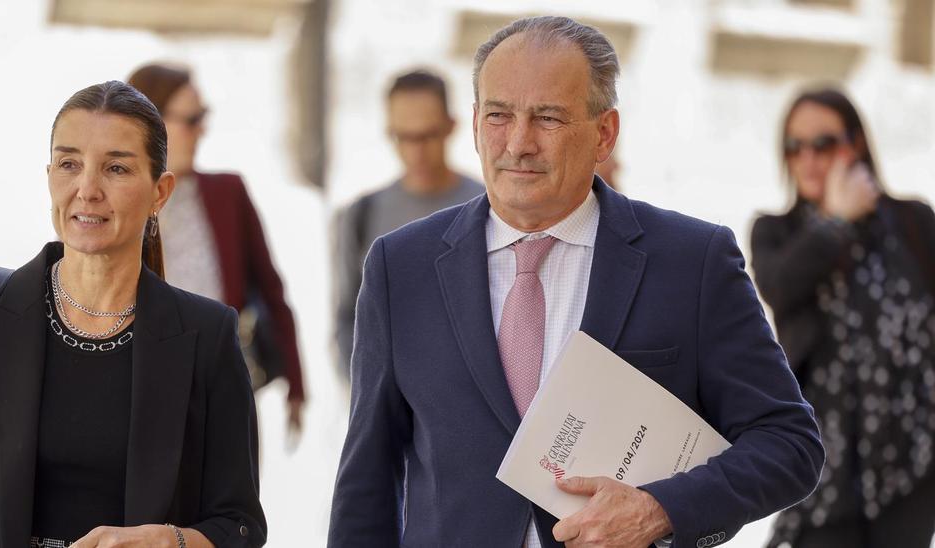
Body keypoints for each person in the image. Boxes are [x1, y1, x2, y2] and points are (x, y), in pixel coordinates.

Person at [328, 16, 824, 548]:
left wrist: (661, 509)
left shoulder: (691, 261)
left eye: (548, 118)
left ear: (604, 133)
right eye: (499, 115)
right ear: (473, 124)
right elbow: (367, 482)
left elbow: (789, 444)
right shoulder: (400, 267)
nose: (519, 143)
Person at [0, 81, 265, 548]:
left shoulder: (206, 335)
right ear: (49, 174)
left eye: (115, 168)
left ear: (160, 191)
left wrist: (167, 541)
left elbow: (240, 525)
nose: (87, 189)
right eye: (69, 164)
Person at [753, 88, 935, 548]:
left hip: (911, 462)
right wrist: (835, 220)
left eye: (824, 143)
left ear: (855, 144)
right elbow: (780, 287)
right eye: (795, 147)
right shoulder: (776, 231)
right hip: (823, 468)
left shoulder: (913, 222)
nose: (808, 158)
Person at [127, 64, 305, 431]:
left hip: (223, 387)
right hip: (140, 392)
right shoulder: (118, 198)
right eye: (191, 119)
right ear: (152, 122)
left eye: (203, 116)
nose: (202, 129)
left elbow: (271, 288)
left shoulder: (227, 192)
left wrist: (296, 383)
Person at [333, 69, 483, 376]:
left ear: (451, 127)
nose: (416, 152)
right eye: (403, 137)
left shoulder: (489, 207)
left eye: (427, 135)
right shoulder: (362, 213)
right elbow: (347, 319)